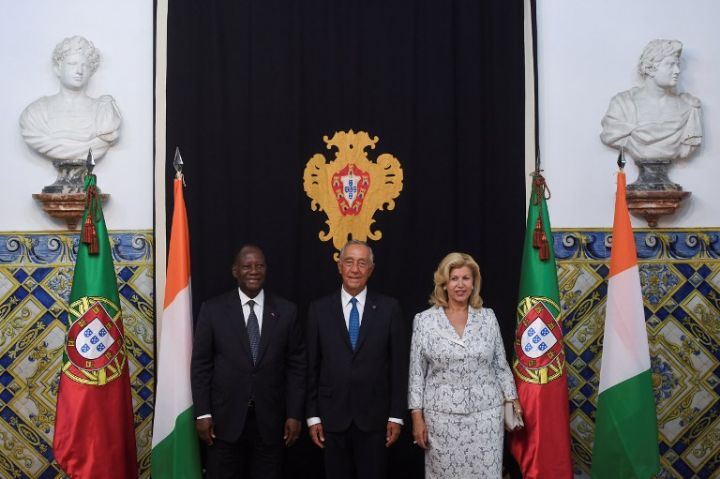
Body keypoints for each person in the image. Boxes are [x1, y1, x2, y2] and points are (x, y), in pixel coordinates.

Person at [191, 245, 305, 479]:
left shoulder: (286, 311)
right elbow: (201, 365)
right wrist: (202, 413)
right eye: (247, 266)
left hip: (271, 422)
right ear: (235, 271)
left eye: (259, 266)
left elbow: (296, 367)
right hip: (224, 422)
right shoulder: (213, 310)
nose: (254, 271)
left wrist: (294, 414)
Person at [408, 252, 520, 479]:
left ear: (474, 283)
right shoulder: (424, 321)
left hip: (486, 417)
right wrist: (416, 417)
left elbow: (500, 365)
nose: (460, 285)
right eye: (454, 278)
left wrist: (513, 400)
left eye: (466, 278)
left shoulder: (488, 317)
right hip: (442, 420)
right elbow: (416, 374)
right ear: (444, 283)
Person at [306, 240, 408, 479]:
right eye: (349, 262)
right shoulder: (318, 309)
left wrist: (396, 415)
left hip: (375, 420)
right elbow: (311, 366)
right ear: (339, 266)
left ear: (371, 270)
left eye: (362, 263)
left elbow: (398, 366)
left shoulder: (389, 308)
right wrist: (312, 416)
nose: (355, 269)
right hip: (331, 418)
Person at [19, 36, 122, 191]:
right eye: (72, 64)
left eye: (85, 66)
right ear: (58, 69)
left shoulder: (103, 112)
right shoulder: (36, 112)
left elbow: (108, 136)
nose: (79, 71)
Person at [600, 39, 702, 163]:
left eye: (678, 65)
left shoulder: (688, 108)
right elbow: (610, 134)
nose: (677, 71)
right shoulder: (622, 105)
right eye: (670, 65)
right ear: (649, 68)